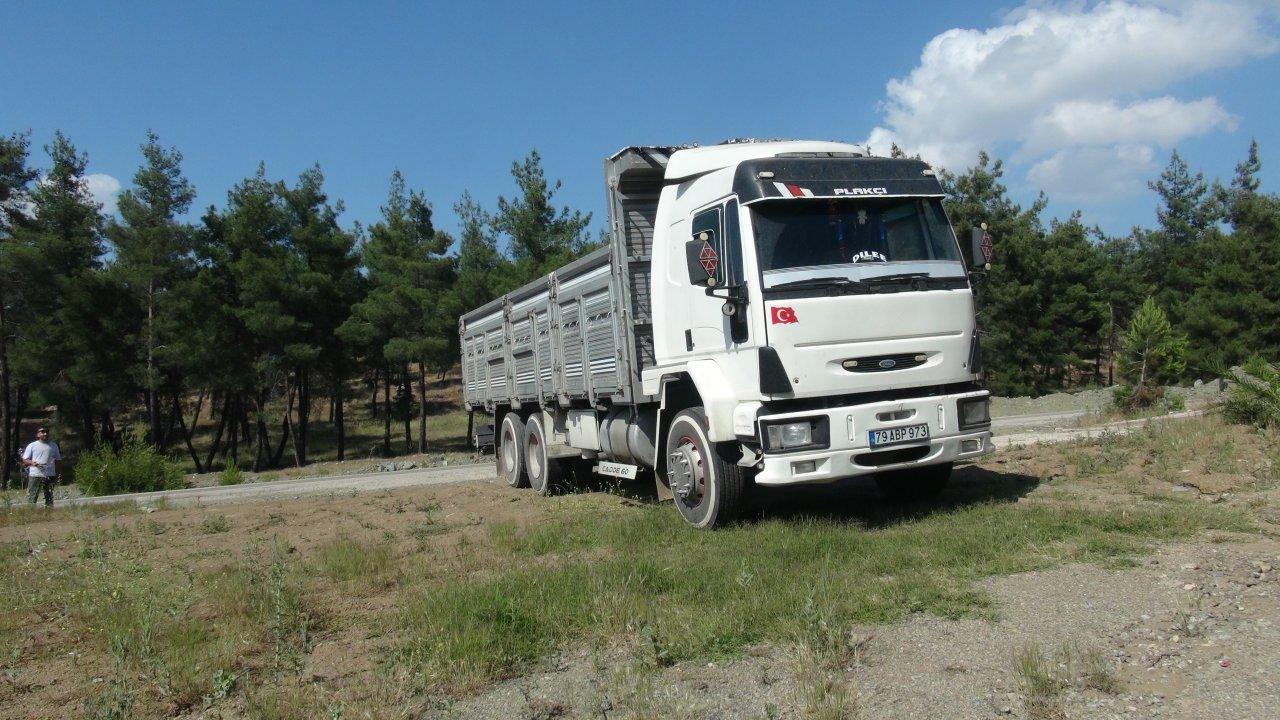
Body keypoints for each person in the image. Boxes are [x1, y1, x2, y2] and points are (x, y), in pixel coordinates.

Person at [21, 426, 61, 507]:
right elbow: (25, 459)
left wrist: (58, 473)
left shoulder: (53, 445)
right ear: (38, 434)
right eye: (42, 432)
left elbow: (58, 460)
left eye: (46, 432)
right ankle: (30, 513)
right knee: (32, 496)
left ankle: (49, 514)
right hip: (35, 475)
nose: (45, 434)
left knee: (49, 497)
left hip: (50, 474)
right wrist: (33, 463)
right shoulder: (32, 445)